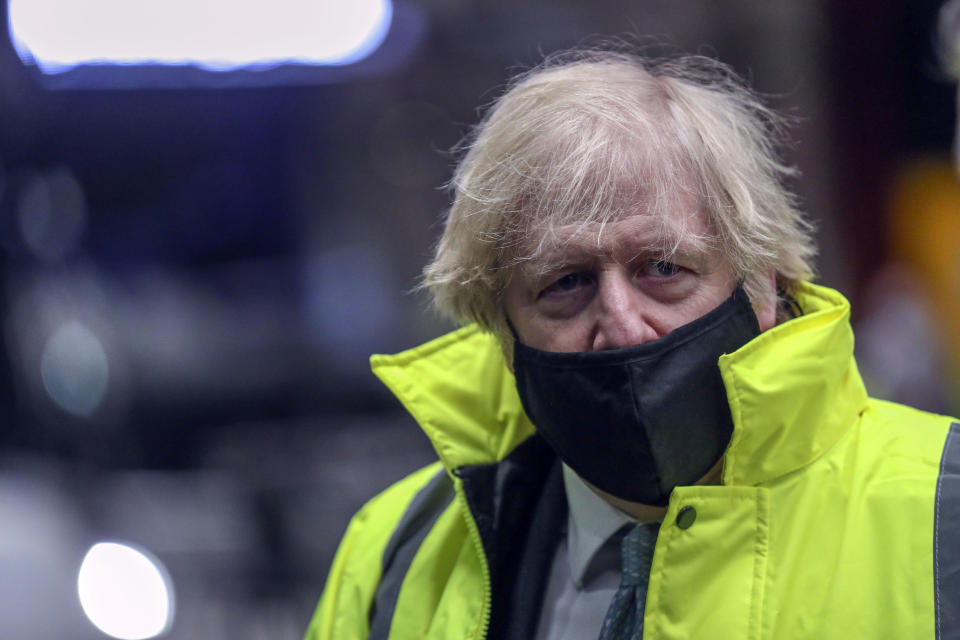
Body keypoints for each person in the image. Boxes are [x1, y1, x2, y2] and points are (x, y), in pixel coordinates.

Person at [304, 46, 960, 640]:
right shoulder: (398, 554)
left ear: (763, 287)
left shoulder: (944, 518)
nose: (621, 323)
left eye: (663, 268)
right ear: (500, 333)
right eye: (566, 282)